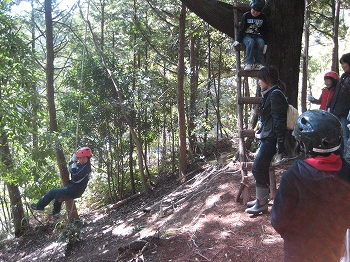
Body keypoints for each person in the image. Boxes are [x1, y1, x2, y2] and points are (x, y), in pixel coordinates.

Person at [271, 110, 350, 262]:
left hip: (298, 252)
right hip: (332, 250)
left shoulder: (293, 177)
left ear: (305, 144)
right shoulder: (347, 173)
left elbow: (278, 220)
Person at [245, 65, 288, 215]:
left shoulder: (275, 94)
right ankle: (261, 200)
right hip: (267, 136)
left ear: (267, 80)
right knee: (260, 168)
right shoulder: (270, 93)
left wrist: (280, 141)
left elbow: (279, 119)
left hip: (272, 138)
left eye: (260, 79)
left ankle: (262, 203)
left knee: (257, 168)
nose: (258, 82)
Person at [31, 147, 92, 216]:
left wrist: (73, 162)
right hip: (75, 190)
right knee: (58, 197)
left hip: (73, 191)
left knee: (52, 192)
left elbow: (74, 175)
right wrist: (73, 162)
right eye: (80, 158)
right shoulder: (83, 165)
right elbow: (72, 168)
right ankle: (56, 212)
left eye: (84, 158)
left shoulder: (85, 168)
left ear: (88, 158)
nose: (81, 160)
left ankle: (39, 206)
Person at [232, 0, 268, 71]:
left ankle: (258, 63)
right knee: (250, 41)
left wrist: (265, 44)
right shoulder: (246, 15)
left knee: (261, 42)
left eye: (257, 11)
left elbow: (265, 31)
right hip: (247, 36)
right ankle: (248, 63)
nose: (255, 12)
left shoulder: (263, 17)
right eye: (253, 10)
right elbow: (241, 29)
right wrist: (238, 40)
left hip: (258, 36)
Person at [328, 53, 350, 156]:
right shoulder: (344, 76)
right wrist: (330, 106)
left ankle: (347, 157)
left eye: (344, 63)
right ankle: (339, 156)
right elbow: (336, 94)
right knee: (339, 135)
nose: (342, 66)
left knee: (345, 134)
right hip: (337, 110)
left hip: (345, 111)